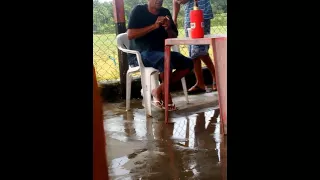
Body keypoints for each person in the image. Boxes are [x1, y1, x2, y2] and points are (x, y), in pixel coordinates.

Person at [127, 0, 194, 111]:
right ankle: (167, 96)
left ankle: (158, 90)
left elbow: (173, 36)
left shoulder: (165, 12)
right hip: (141, 54)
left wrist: (168, 28)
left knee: (188, 63)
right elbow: (130, 35)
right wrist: (154, 26)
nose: (159, 0)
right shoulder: (138, 10)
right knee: (165, 60)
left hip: (161, 52)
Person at [173, 0, 217, 94]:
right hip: (189, 15)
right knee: (193, 50)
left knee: (199, 50)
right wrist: (174, 19)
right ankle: (200, 83)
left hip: (201, 13)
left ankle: (216, 77)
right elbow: (176, 1)